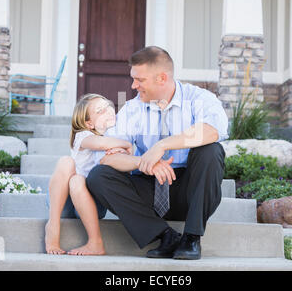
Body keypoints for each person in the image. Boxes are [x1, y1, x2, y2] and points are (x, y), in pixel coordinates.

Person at [85, 46, 228, 260]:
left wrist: (161, 146)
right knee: (99, 175)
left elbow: (213, 129)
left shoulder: (199, 98)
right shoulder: (132, 109)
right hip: (149, 189)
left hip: (190, 192)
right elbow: (107, 156)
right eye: (133, 79)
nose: (133, 85)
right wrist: (144, 161)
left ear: (162, 78)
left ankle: (191, 238)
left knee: (211, 150)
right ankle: (165, 236)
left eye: (139, 80)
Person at [44, 93, 132, 255]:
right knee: (66, 162)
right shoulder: (83, 136)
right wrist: (126, 145)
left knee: (77, 181)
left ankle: (95, 242)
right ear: (89, 123)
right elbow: (100, 143)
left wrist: (121, 149)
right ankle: (53, 224)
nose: (108, 111)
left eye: (108, 106)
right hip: (63, 203)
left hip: (92, 205)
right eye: (100, 111)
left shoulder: (115, 136)